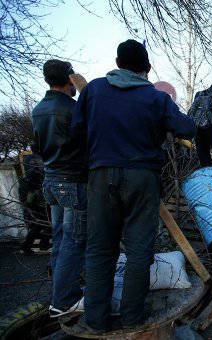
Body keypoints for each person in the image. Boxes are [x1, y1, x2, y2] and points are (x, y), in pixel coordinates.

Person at [72, 39, 196, 332]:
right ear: (148, 69)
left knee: (100, 250)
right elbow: (186, 128)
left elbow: (75, 132)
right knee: (139, 250)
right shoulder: (155, 98)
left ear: (117, 63)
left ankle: (96, 320)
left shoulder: (93, 90)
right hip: (142, 178)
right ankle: (132, 318)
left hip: (100, 176)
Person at [31, 59, 87, 318]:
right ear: (69, 78)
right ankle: (64, 301)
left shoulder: (38, 109)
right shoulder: (73, 109)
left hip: (51, 180)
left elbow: (37, 149)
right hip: (72, 181)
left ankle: (59, 292)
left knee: (61, 239)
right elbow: (89, 143)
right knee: (74, 241)